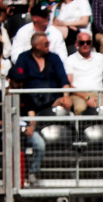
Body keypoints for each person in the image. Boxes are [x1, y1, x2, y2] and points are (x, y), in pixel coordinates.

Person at [7, 31, 72, 185]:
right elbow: (19, 78)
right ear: (36, 45)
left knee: (68, 106)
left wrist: (65, 96)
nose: (48, 46)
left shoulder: (54, 58)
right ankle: (17, 176)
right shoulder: (24, 58)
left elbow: (63, 79)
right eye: (45, 44)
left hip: (52, 101)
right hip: (30, 101)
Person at [63, 30, 103, 114]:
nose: (85, 45)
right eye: (82, 43)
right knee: (80, 108)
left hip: (97, 93)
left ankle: (102, 127)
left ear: (91, 43)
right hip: (78, 94)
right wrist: (87, 97)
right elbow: (70, 84)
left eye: (88, 42)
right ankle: (80, 127)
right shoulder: (70, 59)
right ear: (76, 44)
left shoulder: (101, 57)